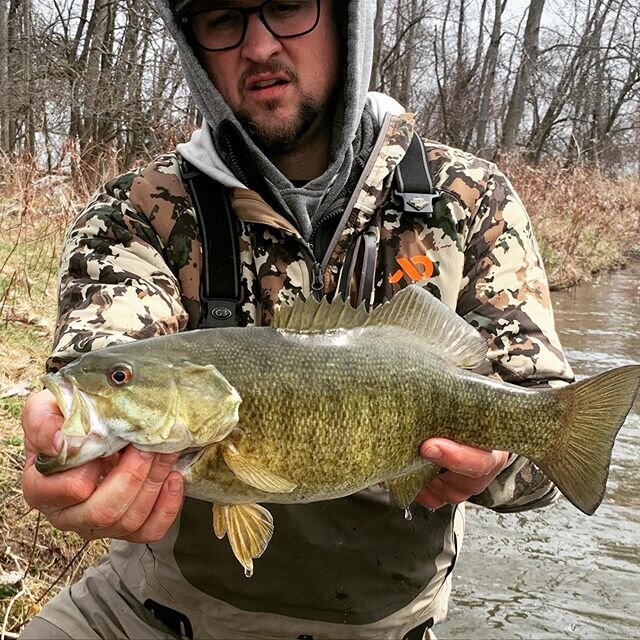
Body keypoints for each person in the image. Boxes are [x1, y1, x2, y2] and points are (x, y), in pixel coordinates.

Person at [19, 0, 574, 638]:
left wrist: (494, 456)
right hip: (149, 615)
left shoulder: (471, 202)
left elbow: (550, 460)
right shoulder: (136, 212)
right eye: (223, 18)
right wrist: (70, 457)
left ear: (346, 20)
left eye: (287, 7)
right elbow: (110, 352)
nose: (258, 47)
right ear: (193, 42)